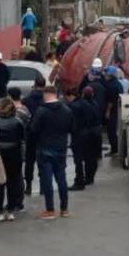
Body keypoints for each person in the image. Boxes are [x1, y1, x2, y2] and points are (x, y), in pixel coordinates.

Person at [29, 86, 73, 220]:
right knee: (61, 178)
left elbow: (33, 129)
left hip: (44, 148)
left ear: (45, 95)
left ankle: (50, 209)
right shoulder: (66, 110)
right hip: (61, 148)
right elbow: (71, 128)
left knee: (47, 179)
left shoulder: (41, 111)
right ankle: (64, 209)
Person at [0, 98, 25, 221]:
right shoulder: (17, 122)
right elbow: (22, 138)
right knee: (13, 183)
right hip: (14, 153)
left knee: (0, 183)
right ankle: (11, 210)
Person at [65, 87, 100, 190]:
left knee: (78, 159)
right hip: (92, 132)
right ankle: (89, 177)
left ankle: (79, 181)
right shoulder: (89, 103)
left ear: (70, 96)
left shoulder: (73, 106)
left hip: (79, 134)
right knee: (90, 157)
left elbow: (71, 122)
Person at [21, 75, 46, 196]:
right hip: (43, 134)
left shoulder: (26, 100)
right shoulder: (46, 100)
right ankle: (42, 186)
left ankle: (29, 186)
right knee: (43, 161)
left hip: (30, 133)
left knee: (29, 161)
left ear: (35, 84)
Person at [103, 66, 124, 155]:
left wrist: (107, 111)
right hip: (119, 109)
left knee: (111, 130)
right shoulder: (118, 84)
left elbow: (110, 101)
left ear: (109, 75)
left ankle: (114, 149)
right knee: (116, 130)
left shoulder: (110, 86)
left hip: (112, 110)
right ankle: (117, 148)